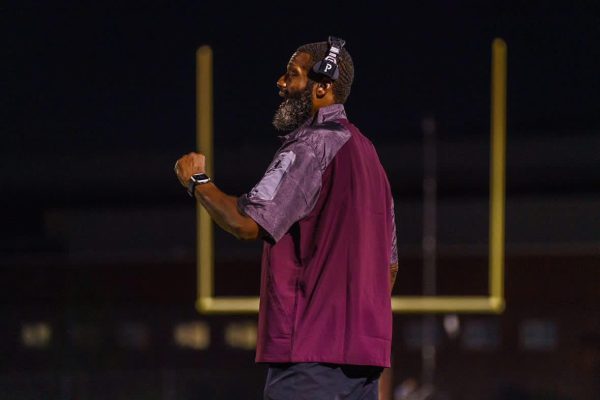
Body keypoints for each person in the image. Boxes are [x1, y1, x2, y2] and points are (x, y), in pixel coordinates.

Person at [174, 36, 398, 400]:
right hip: (363, 364)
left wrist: (198, 181)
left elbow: (245, 222)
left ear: (322, 86)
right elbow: (388, 270)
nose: (281, 83)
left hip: (310, 361)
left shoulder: (312, 146)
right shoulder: (371, 157)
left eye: (292, 75)